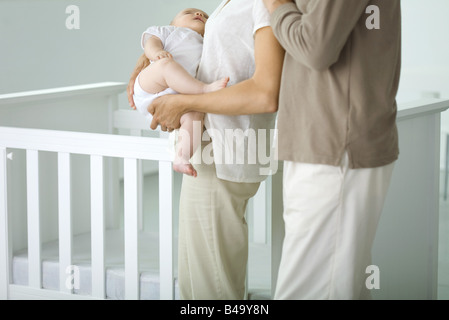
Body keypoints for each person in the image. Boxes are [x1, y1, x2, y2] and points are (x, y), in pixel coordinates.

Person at [128, 0, 285, 300]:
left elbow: (266, 92)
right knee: (197, 278)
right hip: (211, 147)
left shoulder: (264, 4)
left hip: (224, 149)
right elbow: (202, 61)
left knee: (211, 286)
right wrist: (150, 72)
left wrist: (185, 102)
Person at [260, 0, 401, 299]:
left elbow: (315, 47)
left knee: (306, 288)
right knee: (342, 283)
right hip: (331, 144)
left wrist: (277, 4)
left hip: (334, 146)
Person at [131, 8, 229, 177]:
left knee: (195, 114)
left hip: (176, 96)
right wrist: (157, 53)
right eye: (188, 12)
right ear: (173, 23)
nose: (199, 15)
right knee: (165, 65)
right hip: (151, 84)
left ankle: (182, 156)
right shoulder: (169, 31)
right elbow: (150, 43)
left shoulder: (206, 44)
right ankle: (204, 89)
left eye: (205, 16)